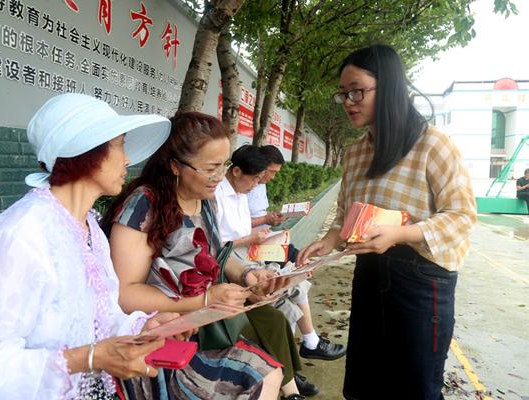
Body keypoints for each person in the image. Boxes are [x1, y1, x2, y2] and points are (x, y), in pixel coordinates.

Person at [0, 93, 188, 399]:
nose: (128, 159)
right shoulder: (20, 235)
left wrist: (144, 327)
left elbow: (99, 317)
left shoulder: (87, 227)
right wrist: (87, 358)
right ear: (87, 152)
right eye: (120, 145)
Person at [297, 44, 477, 400]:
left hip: (422, 280)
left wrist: (399, 234)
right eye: (343, 93)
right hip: (370, 272)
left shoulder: (433, 145)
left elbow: (462, 216)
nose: (348, 101)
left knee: (416, 386)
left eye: (357, 91)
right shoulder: (355, 153)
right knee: (365, 380)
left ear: (390, 87)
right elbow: (345, 214)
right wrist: (329, 240)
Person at [104, 112, 287, 400]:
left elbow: (214, 257)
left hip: (202, 326)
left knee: (271, 351)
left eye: (224, 165)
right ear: (175, 166)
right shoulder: (143, 206)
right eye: (211, 168)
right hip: (160, 340)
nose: (220, 177)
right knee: (260, 374)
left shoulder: (207, 201)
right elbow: (125, 295)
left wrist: (247, 276)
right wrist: (205, 300)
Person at [215, 145, 345, 395]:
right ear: (237, 171)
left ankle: (300, 358)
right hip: (236, 257)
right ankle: (292, 372)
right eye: (257, 178)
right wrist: (250, 243)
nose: (259, 183)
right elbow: (217, 246)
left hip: (248, 252)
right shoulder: (216, 194)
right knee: (282, 303)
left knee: (294, 280)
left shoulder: (241, 192)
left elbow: (238, 234)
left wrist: (260, 234)